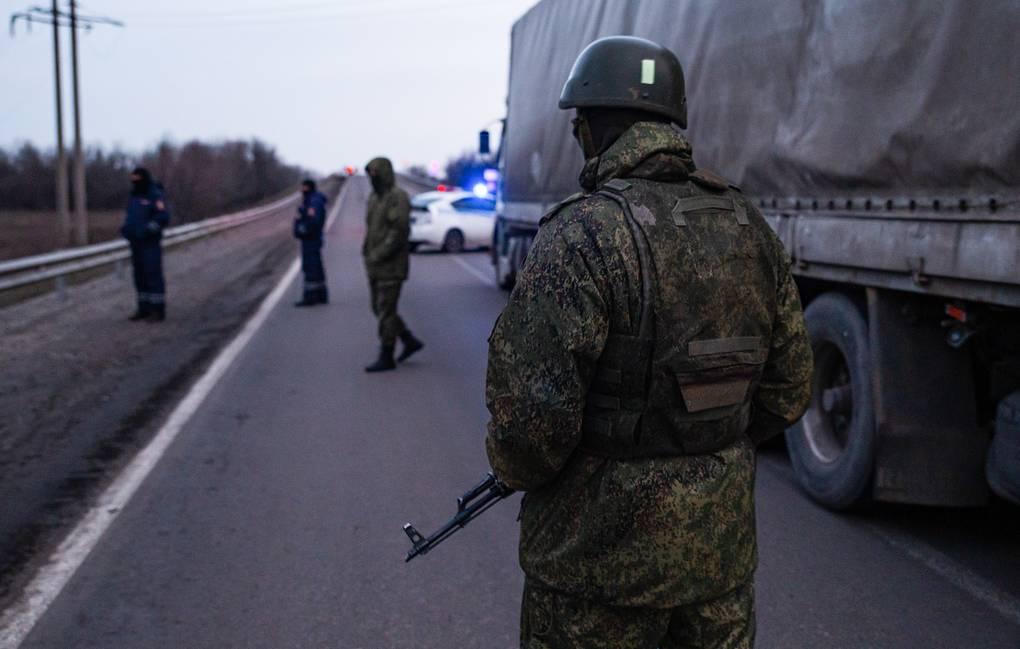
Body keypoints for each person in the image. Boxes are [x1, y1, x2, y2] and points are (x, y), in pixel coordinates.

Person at [484, 36, 813, 649]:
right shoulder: (749, 226)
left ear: (590, 129)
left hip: (595, 573)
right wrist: (703, 445)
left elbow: (531, 428)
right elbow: (789, 389)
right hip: (717, 564)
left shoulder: (582, 233)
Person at [362, 157, 424, 372]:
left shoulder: (398, 197)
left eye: (375, 173)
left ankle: (386, 353)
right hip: (374, 264)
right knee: (377, 308)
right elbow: (371, 229)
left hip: (392, 265)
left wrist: (379, 253)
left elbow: (399, 231)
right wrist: (367, 252)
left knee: (386, 310)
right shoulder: (374, 198)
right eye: (370, 173)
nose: (372, 177)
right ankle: (408, 339)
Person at [121, 167, 170, 322]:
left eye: (137, 179)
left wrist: (149, 230)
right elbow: (130, 217)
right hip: (135, 242)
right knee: (139, 276)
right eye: (133, 179)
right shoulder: (134, 196)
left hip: (150, 243)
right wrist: (126, 229)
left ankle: (157, 310)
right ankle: (143, 308)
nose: (135, 182)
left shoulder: (155, 195)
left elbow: (163, 217)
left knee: (152, 274)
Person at [293, 178, 330, 306]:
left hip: (311, 239)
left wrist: (301, 230)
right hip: (312, 239)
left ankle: (310, 297)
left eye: (303, 187)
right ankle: (321, 295)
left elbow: (313, 221)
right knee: (316, 267)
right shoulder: (311, 200)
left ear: (307, 187)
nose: (301, 189)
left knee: (311, 267)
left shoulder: (313, 201)